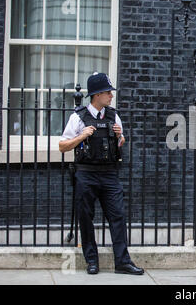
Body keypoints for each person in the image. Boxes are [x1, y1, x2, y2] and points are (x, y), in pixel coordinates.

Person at [59, 72, 144, 275]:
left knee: (118, 217)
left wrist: (119, 137)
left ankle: (122, 262)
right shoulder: (78, 117)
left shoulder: (114, 116)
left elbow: (120, 142)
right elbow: (63, 146)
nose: (111, 96)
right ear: (97, 95)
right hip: (86, 173)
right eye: (108, 92)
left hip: (109, 174)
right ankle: (92, 262)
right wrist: (82, 135)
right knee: (86, 218)